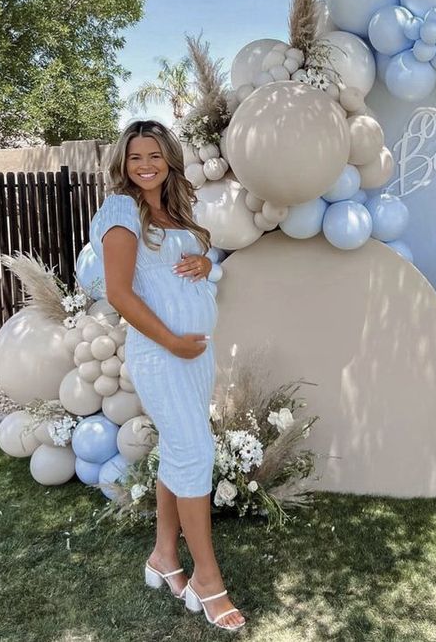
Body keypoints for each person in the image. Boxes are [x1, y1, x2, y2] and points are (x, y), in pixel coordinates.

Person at [91, 119, 245, 633]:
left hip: (196, 354)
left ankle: (163, 556)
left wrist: (205, 261)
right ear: (123, 164)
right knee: (196, 452)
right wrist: (173, 340)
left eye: (154, 155)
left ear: (168, 160)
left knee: (180, 450)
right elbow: (119, 292)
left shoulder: (175, 210)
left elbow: (183, 266)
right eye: (136, 157)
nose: (146, 165)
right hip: (162, 355)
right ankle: (207, 578)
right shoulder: (121, 209)